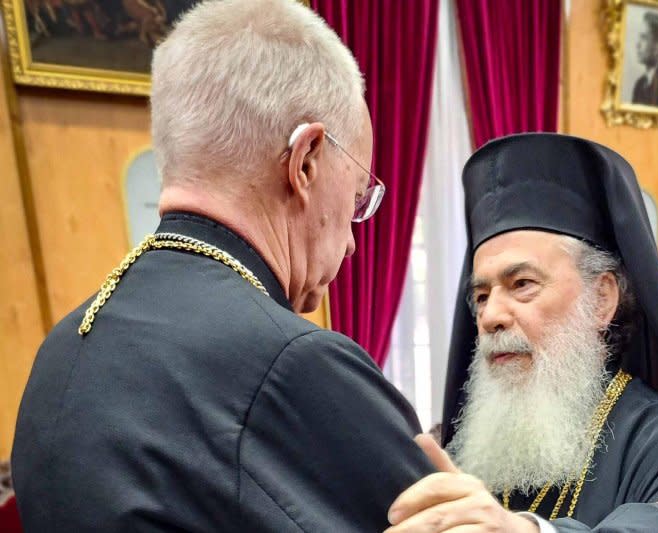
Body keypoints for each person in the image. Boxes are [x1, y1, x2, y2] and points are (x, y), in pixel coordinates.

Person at [11, 0, 435, 530]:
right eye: (354, 198)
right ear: (305, 161)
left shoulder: (63, 345)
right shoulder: (295, 366)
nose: (352, 241)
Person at [385, 133, 658, 533]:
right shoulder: (465, 451)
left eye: (522, 283)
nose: (491, 316)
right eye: (482, 294)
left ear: (601, 300)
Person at [632, 11, 658, 108]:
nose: (637, 44)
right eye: (639, 37)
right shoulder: (639, 85)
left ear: (657, 47)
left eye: (644, 37)